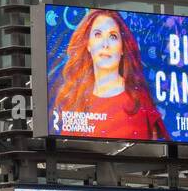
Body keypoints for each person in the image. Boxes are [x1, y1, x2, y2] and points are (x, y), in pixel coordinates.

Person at [51, 9, 170, 141]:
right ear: (88, 45)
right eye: (98, 35)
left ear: (122, 48)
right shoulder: (76, 100)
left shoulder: (140, 100)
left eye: (113, 36)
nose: (105, 44)